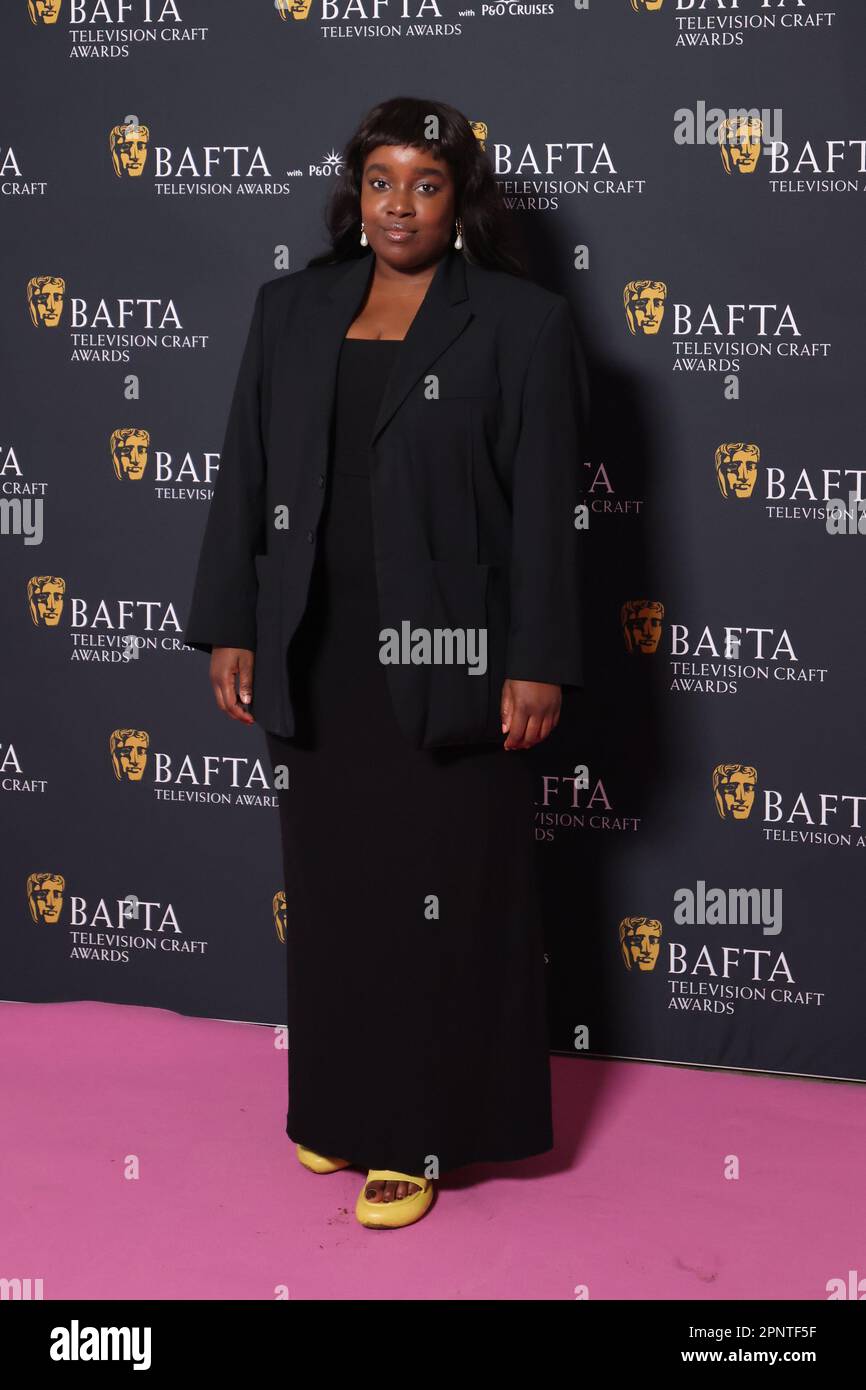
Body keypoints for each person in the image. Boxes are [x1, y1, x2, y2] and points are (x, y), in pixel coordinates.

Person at [183, 96, 587, 1230]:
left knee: (443, 903)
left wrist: (536, 660)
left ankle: (413, 1136)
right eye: (379, 180)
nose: (398, 203)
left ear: (460, 201)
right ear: (351, 192)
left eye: (424, 182)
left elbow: (545, 518)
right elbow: (242, 475)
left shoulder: (519, 323)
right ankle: (340, 1109)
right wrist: (232, 623)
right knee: (336, 897)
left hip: (453, 656)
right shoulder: (291, 308)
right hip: (316, 648)